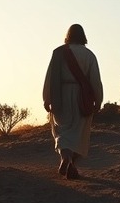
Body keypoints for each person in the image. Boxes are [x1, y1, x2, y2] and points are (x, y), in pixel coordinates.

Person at [42, 24, 104, 180]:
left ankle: (65, 158)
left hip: (60, 95)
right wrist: (98, 99)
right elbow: (95, 80)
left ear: (68, 35)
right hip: (81, 97)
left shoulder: (58, 53)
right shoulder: (89, 55)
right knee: (79, 133)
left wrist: (46, 98)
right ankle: (71, 163)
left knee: (61, 131)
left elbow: (50, 77)